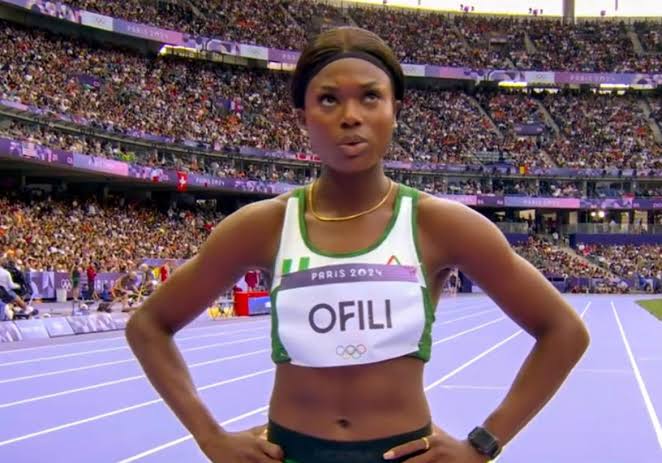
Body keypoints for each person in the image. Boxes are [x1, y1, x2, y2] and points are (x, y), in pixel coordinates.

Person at [126, 27, 590, 463]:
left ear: (395, 109)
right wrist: (210, 438)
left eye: (370, 96)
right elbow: (148, 325)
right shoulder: (263, 226)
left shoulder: (441, 225)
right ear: (303, 116)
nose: (350, 116)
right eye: (328, 99)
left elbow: (564, 332)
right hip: (293, 453)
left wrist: (482, 445)